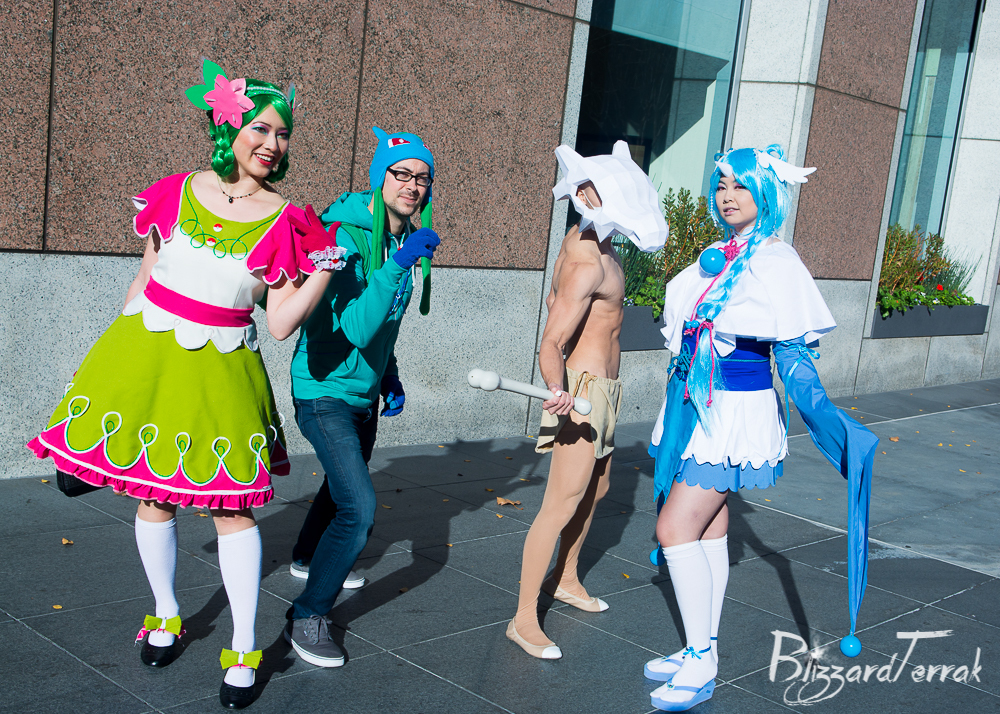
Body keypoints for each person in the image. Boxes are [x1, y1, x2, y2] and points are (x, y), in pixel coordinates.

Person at [27, 61, 344, 710]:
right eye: (262, 128)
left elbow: (279, 323)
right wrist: (102, 379)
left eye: (283, 134)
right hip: (146, 356)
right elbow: (143, 283)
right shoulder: (174, 192)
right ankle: (166, 614)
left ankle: (244, 647)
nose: (273, 143)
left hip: (220, 371)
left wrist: (324, 270)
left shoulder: (286, 220)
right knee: (153, 497)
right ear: (229, 129)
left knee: (232, 508)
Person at [644, 145, 877, 711]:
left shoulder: (776, 259)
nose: (727, 196)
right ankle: (701, 646)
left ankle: (701, 662)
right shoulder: (722, 252)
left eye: (741, 186)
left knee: (674, 529)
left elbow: (793, 354)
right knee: (709, 527)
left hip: (733, 414)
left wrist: (829, 419)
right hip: (695, 405)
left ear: (766, 194)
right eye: (721, 185)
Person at [283, 127, 440, 668]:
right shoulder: (344, 237)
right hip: (324, 390)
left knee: (339, 486)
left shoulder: (400, 239)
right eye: (402, 173)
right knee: (359, 508)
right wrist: (397, 267)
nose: (412, 185)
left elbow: (384, 328)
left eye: (423, 178)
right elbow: (353, 326)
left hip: (362, 392)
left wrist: (388, 374)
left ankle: (307, 557)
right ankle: (307, 615)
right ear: (379, 176)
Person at [507, 141, 668, 659]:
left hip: (605, 392)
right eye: (587, 190)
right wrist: (558, 389)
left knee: (597, 490)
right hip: (582, 391)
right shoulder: (586, 260)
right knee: (561, 502)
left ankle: (566, 578)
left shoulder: (598, 244)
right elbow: (550, 341)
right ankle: (523, 619)